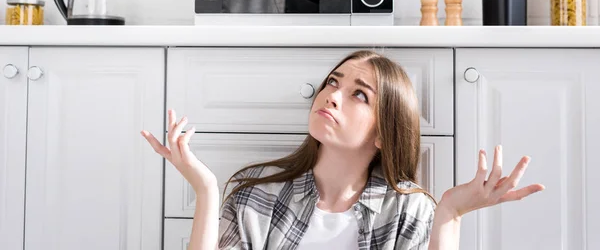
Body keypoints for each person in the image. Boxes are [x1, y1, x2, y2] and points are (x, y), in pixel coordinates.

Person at [142, 49, 544, 249]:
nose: (332, 96)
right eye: (333, 82)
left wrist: (450, 213)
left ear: (384, 134)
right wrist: (206, 191)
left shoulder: (409, 211)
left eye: (359, 95)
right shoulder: (254, 203)